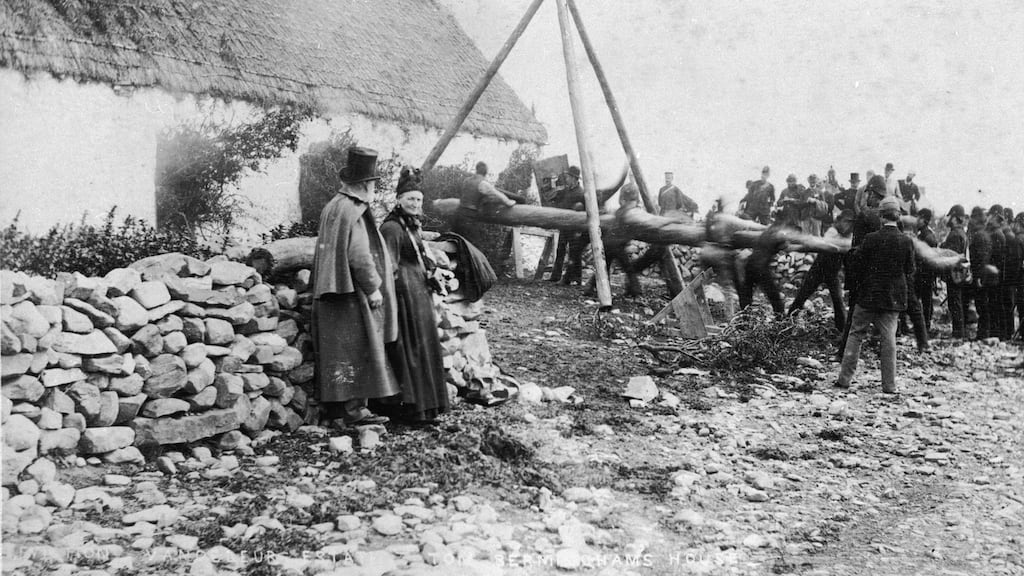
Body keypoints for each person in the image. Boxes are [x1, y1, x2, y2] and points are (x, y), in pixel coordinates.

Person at [312, 147, 398, 426]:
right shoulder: (355, 210)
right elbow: (359, 255)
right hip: (351, 295)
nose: (373, 189)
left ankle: (338, 409)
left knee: (339, 354)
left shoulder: (333, 206)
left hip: (330, 293)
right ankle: (356, 411)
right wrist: (373, 288)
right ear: (364, 185)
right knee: (358, 349)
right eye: (373, 184)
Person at [377, 168, 448, 424]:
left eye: (419, 200)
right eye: (410, 199)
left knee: (425, 347)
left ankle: (430, 407)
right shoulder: (392, 228)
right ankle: (413, 410)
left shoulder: (412, 225)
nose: (415, 204)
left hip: (419, 294)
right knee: (411, 351)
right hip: (405, 297)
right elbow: (388, 267)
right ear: (398, 200)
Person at [836, 195, 915, 394]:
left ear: (881, 216)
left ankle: (844, 380)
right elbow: (910, 270)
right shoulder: (906, 241)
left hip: (868, 296)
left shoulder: (870, 239)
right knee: (889, 340)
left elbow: (857, 264)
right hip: (892, 299)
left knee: (855, 335)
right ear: (898, 217)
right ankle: (889, 385)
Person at [788, 209, 854, 331]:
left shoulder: (848, 236)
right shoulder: (832, 231)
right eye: (846, 222)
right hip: (817, 271)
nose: (847, 226)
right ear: (839, 220)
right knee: (801, 297)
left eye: (850, 223)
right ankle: (787, 322)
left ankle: (842, 330)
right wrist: (844, 246)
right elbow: (831, 245)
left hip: (833, 273)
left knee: (838, 302)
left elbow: (845, 246)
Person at [584, 183, 645, 298]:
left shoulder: (620, 211)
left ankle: (590, 287)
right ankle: (637, 292)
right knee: (629, 269)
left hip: (608, 242)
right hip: (617, 245)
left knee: (604, 267)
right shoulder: (632, 213)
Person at [738, 221, 797, 317]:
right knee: (773, 294)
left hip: (750, 263)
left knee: (747, 292)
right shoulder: (780, 234)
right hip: (761, 267)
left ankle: (745, 314)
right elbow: (786, 247)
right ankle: (780, 316)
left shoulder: (767, 232)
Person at [940, 205, 969, 339]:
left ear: (955, 218)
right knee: (957, 301)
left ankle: (958, 333)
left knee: (955, 302)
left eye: (951, 217)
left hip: (954, 273)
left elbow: (951, 255)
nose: (948, 219)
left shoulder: (955, 234)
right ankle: (959, 332)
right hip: (958, 272)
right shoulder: (961, 232)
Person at [968, 206, 994, 339]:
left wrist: (978, 277)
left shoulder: (979, 236)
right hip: (983, 274)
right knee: (983, 305)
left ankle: (983, 333)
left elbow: (981, 258)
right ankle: (983, 332)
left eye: (972, 218)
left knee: (982, 305)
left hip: (981, 275)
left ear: (976, 219)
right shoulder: (983, 234)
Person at [913, 208, 938, 332]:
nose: (916, 221)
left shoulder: (927, 237)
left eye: (918, 218)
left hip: (924, 274)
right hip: (923, 274)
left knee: (925, 301)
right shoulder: (924, 234)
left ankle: (925, 326)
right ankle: (924, 325)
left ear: (924, 220)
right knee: (924, 301)